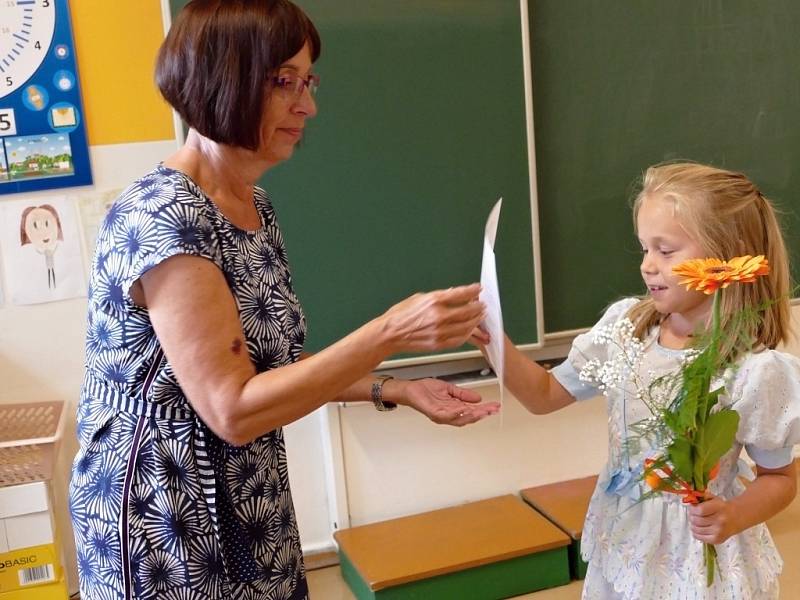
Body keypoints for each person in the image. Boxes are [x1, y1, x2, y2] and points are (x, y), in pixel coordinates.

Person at [68, 1, 499, 599]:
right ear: (226, 83)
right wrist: (387, 333)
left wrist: (394, 387)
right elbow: (234, 409)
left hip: (245, 498)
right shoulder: (167, 219)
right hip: (167, 523)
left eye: (307, 81)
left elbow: (265, 371)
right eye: (284, 83)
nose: (308, 105)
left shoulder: (250, 203)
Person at [473, 162, 799, 599]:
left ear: (729, 252)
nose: (647, 265)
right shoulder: (626, 327)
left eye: (666, 251)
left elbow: (779, 478)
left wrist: (733, 516)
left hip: (698, 557)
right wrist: (493, 339)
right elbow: (544, 395)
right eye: (644, 248)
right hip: (626, 538)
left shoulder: (754, 370)